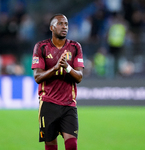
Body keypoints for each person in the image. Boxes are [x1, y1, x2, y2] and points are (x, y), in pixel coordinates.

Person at [31, 14, 84, 150]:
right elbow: (37, 77)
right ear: (52, 27)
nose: (64, 27)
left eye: (66, 24)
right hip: (48, 103)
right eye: (60, 24)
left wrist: (67, 67)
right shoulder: (41, 47)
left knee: (72, 144)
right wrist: (55, 68)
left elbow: (79, 77)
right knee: (50, 145)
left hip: (69, 104)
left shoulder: (75, 47)